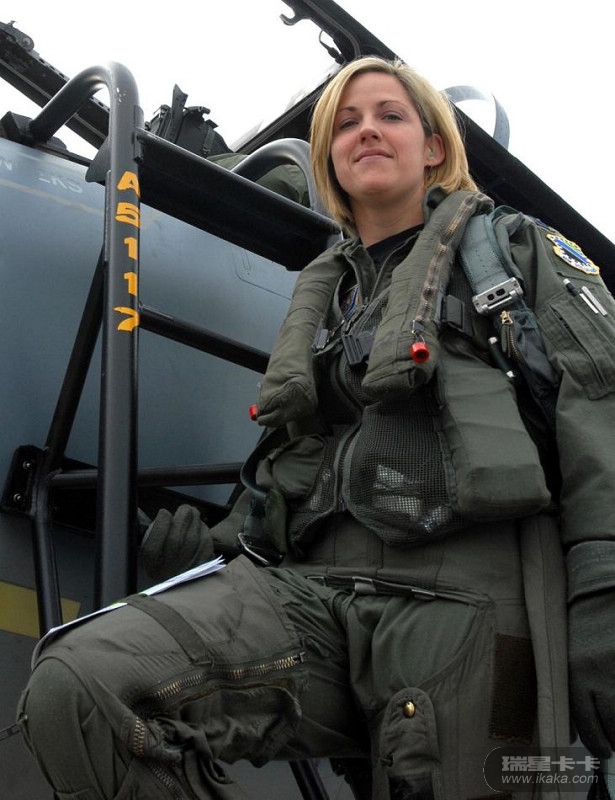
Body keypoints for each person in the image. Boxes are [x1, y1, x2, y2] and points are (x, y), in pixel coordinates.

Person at [16, 55, 615, 800]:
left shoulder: (513, 251)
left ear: (433, 146)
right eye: (347, 123)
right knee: (81, 685)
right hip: (311, 593)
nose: (367, 131)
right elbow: (299, 460)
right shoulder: (326, 299)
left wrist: (602, 591)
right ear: (330, 156)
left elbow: (600, 403)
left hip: (466, 598)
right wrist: (214, 548)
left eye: (390, 115)